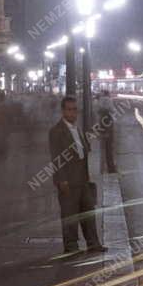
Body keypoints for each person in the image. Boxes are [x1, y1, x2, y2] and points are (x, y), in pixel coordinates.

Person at [48, 96, 105, 255]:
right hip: (68, 180)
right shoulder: (56, 131)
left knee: (88, 213)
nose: (73, 113)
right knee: (70, 215)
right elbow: (56, 157)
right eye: (69, 109)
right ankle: (71, 247)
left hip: (82, 179)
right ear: (63, 111)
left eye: (75, 110)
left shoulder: (77, 129)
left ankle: (93, 244)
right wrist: (61, 180)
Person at [97, 90, 117, 174]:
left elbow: (97, 110)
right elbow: (113, 110)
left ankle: (103, 168)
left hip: (102, 125)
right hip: (108, 124)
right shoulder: (108, 100)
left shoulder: (100, 101)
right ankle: (110, 168)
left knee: (103, 148)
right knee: (109, 148)